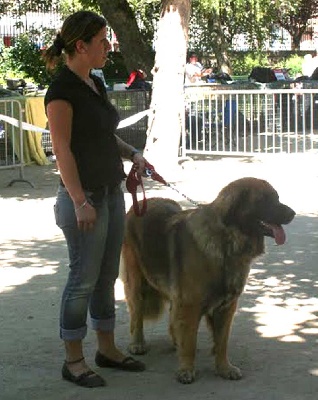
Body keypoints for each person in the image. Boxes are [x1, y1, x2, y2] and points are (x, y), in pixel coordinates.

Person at [43, 10, 147, 388]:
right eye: (103, 40)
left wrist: (133, 154)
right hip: (83, 199)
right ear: (80, 45)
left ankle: (107, 349)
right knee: (82, 280)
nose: (109, 46)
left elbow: (104, 135)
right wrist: (79, 200)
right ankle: (73, 361)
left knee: (105, 279)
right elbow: (63, 150)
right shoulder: (60, 92)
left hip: (111, 192)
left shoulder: (95, 83)